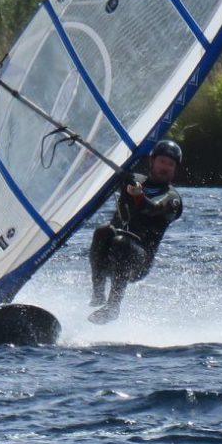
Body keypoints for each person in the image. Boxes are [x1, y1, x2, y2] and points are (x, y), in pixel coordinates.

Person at [88, 139, 183, 324]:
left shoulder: (173, 199)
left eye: (170, 165)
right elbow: (101, 177)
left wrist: (139, 196)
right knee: (103, 231)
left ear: (174, 170)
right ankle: (98, 293)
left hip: (138, 262)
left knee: (122, 242)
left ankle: (113, 306)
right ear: (152, 162)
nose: (165, 167)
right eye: (162, 162)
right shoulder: (132, 179)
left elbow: (153, 208)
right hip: (110, 255)